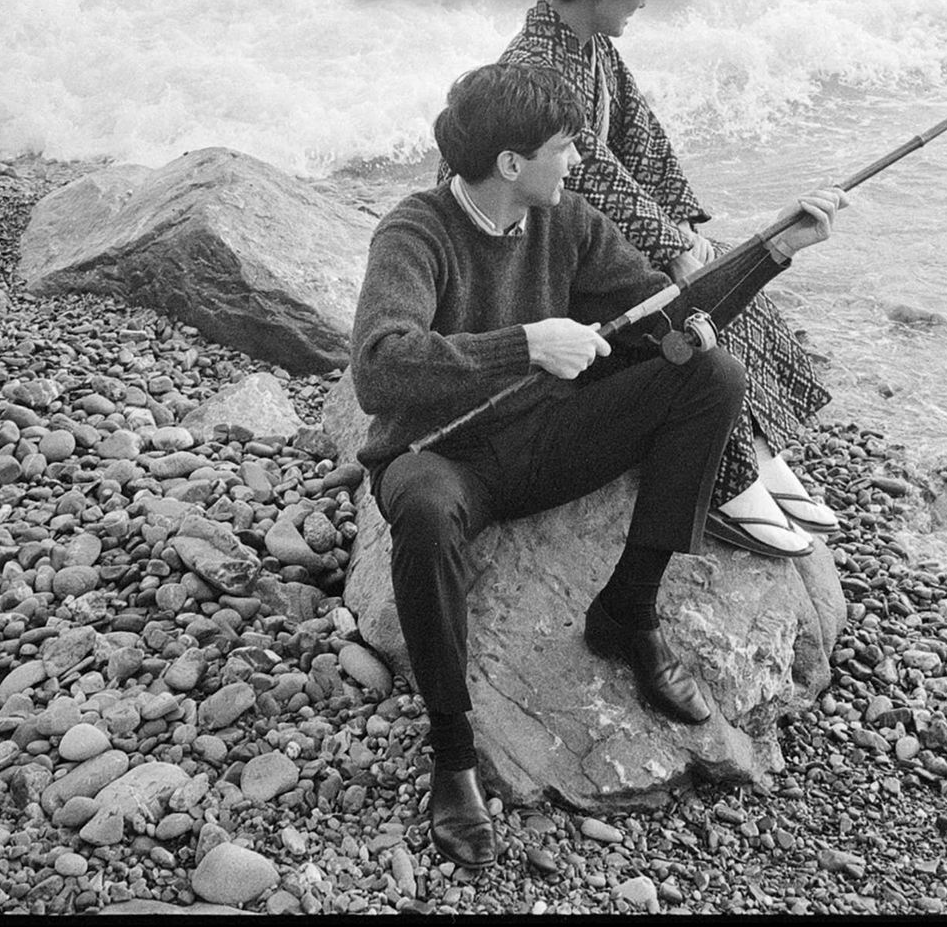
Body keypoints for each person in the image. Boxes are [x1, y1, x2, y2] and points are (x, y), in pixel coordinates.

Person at [352, 62, 834, 868]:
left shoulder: (567, 221)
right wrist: (526, 342)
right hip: (441, 460)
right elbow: (377, 368)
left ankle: (627, 613)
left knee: (710, 374)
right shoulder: (415, 232)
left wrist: (773, 250)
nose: (577, 161)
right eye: (565, 148)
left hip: (546, 443)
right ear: (512, 163)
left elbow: (668, 312)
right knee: (429, 516)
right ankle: (453, 752)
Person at [497, 0, 846, 559]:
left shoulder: (592, 50)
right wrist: (668, 249)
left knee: (724, 270)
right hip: (536, 277)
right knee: (691, 307)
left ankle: (754, 443)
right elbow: (590, 172)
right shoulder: (536, 66)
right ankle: (726, 477)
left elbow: (641, 146)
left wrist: (685, 233)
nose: (647, 0)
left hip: (589, 247)